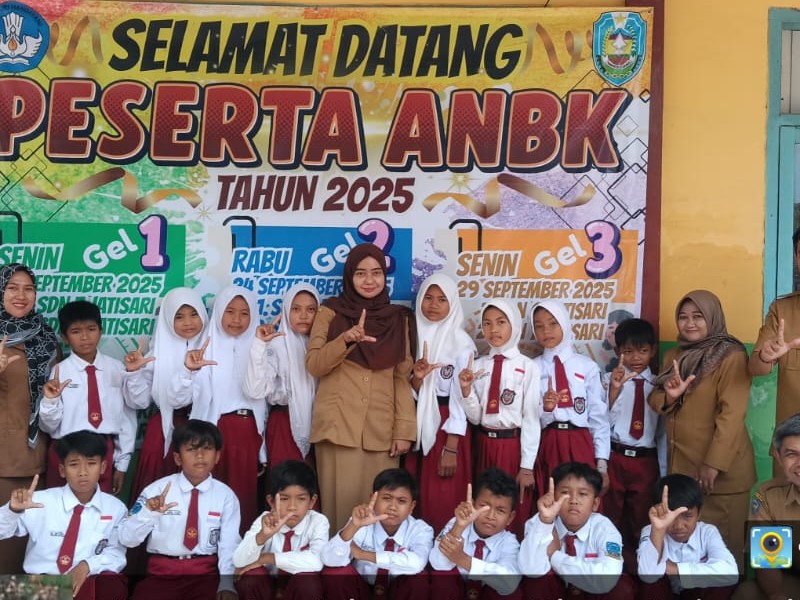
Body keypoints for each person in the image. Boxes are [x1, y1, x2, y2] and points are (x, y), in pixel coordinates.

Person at [306, 243, 417, 532]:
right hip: (337, 429)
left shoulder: (398, 318)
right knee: (340, 515)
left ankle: (371, 562)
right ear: (349, 276)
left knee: (379, 515)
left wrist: (404, 430)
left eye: (376, 272)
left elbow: (401, 377)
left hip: (382, 433)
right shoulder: (330, 312)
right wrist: (345, 339)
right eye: (360, 273)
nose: (369, 280)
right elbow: (315, 365)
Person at [648, 290, 755, 571]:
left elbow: (731, 415)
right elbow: (655, 399)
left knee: (725, 551)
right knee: (687, 550)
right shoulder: (675, 355)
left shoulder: (731, 356)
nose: (690, 323)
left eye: (698, 316)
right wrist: (670, 396)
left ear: (713, 317)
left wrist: (713, 464)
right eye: (683, 317)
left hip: (722, 475)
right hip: (684, 470)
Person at [169, 284, 262, 533]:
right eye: (229, 311)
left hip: (246, 431)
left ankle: (239, 553)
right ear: (219, 311)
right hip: (211, 432)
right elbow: (180, 399)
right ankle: (203, 551)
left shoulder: (260, 346)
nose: (237, 319)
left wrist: (260, 351)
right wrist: (189, 371)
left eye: (244, 313)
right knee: (207, 496)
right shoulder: (202, 348)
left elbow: (260, 394)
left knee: (241, 497)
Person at [118, 419, 240, 600]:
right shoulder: (155, 491)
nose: (200, 455)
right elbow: (127, 539)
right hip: (162, 574)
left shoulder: (226, 496)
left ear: (217, 456)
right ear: (177, 458)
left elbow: (229, 544)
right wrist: (149, 513)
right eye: (191, 449)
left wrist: (227, 583)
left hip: (206, 575)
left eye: (207, 449)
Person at [0, 430, 128, 599]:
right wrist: (13, 510)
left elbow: (116, 554)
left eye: (91, 463)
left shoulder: (115, 508)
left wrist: (86, 566)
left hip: (85, 583)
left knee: (113, 586)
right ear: (62, 470)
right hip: (40, 585)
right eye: (74, 464)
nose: (83, 472)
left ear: (103, 467)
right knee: (6, 591)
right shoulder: (39, 501)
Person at [458, 299, 539, 536]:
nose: (493, 330)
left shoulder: (528, 366)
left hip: (511, 445)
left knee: (509, 502)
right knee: (483, 503)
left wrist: (526, 466)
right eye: (487, 323)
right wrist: (466, 390)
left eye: (501, 322)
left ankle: (509, 550)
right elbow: (476, 418)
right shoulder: (479, 366)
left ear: (514, 325)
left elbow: (531, 418)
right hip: (483, 443)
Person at [39, 300, 137, 496]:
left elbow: (126, 418)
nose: (85, 337)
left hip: (102, 450)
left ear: (101, 331)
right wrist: (50, 401)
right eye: (76, 331)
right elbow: (48, 427)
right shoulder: (59, 372)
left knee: (100, 507)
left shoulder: (117, 369)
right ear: (64, 337)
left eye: (91, 329)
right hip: (65, 450)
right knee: (59, 506)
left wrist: (122, 464)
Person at [0, 263, 59, 573]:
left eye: (28, 289)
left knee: (29, 548)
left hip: (36, 457)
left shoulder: (46, 338)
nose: (21, 295)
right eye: (12, 288)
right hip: (3, 461)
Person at [124, 287, 208, 501]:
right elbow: (139, 402)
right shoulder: (155, 355)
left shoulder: (215, 351)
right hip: (164, 430)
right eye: (179, 317)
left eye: (194, 314)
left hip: (203, 429)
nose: (188, 322)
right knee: (157, 492)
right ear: (168, 319)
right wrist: (133, 374)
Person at [407, 273, 476, 533]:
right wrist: (417, 378)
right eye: (428, 297)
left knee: (442, 496)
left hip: (446, 426)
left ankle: (444, 548)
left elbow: (460, 397)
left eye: (441, 299)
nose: (433, 305)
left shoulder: (461, 343)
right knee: (416, 495)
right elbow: (412, 390)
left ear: (453, 304)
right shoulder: (413, 335)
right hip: (418, 421)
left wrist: (451, 447)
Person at [530, 300, 610, 498]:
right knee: (550, 496)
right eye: (539, 326)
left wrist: (601, 463)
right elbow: (529, 418)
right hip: (548, 442)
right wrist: (546, 409)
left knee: (580, 499)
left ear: (565, 323)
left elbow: (598, 417)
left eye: (553, 323)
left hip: (580, 441)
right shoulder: (533, 367)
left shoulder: (586, 366)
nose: (546, 331)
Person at [519, 461, 633, 600]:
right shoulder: (539, 522)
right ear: (553, 497)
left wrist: (554, 556)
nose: (574, 500)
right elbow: (530, 570)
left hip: (591, 594)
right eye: (565, 492)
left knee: (621, 588)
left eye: (582, 494)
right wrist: (545, 523)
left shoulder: (605, 529)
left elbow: (606, 579)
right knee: (535, 582)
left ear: (595, 504)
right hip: (556, 592)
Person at [321, 467, 433, 600]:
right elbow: (330, 560)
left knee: (418, 579)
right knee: (336, 574)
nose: (393, 507)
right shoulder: (362, 520)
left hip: (398, 591)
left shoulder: (421, 529)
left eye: (401, 501)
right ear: (372, 498)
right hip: (362, 589)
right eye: (386, 498)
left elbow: (417, 563)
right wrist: (353, 526)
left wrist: (362, 554)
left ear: (412, 507)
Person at [603, 317, 661, 572]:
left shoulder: (659, 386)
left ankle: (640, 571)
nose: (636, 357)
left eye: (643, 350)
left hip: (645, 461)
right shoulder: (607, 380)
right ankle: (610, 570)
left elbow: (663, 432)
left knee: (641, 518)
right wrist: (614, 392)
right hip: (615, 457)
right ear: (618, 351)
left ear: (653, 350)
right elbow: (601, 421)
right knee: (610, 516)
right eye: (628, 351)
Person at [242, 283, 320, 469]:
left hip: (319, 423)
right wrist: (260, 345)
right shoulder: (276, 345)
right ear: (285, 311)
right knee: (286, 479)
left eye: (311, 309)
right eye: (295, 309)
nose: (303, 316)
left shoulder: (322, 345)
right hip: (285, 423)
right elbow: (255, 390)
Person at [233, 459, 328, 600]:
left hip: (298, 588)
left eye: (301, 499)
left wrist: (265, 558)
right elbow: (238, 561)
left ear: (312, 501)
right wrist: (262, 536)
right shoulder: (265, 520)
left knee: (307, 582)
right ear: (271, 501)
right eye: (284, 499)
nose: (292, 507)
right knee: (250, 579)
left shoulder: (318, 522)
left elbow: (317, 561)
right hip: (268, 586)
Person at [638, 474, 738, 600]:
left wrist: (675, 569)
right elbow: (647, 576)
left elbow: (730, 572)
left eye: (687, 516)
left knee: (721, 583)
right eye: (671, 517)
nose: (679, 526)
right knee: (651, 583)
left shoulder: (707, 532)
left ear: (699, 513)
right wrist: (658, 530)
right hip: (665, 594)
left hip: (696, 594)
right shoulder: (651, 530)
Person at [428, 467, 523, 600]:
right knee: (442, 580)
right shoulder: (457, 523)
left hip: (486, 594)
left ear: (510, 518)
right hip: (456, 592)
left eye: (500, 511)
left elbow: (509, 583)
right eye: (484, 506)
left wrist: (462, 559)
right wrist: (459, 527)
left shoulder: (509, 542)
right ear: (472, 505)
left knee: (509, 592)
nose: (490, 516)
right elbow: (437, 563)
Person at [734, 413, 800, 600]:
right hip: (794, 580)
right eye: (791, 454)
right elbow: (766, 561)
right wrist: (776, 595)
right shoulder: (768, 495)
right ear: (778, 457)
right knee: (746, 594)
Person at [750, 227, 800, 446]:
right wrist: (765, 356)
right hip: (792, 444)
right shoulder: (781, 309)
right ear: (796, 258)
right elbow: (754, 368)